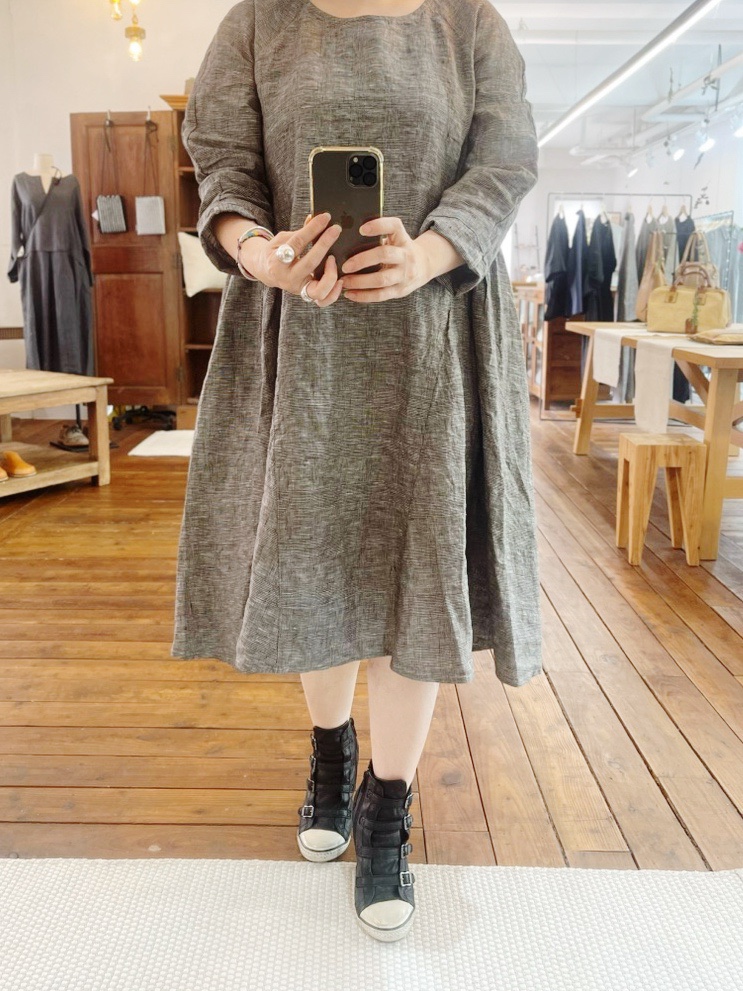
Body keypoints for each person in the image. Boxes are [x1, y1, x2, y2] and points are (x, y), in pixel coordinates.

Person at [171, 0, 542, 943]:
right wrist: (260, 252)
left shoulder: (467, 22)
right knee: (314, 559)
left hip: (431, 337)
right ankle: (332, 755)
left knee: (416, 567)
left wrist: (429, 252)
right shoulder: (259, 21)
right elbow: (222, 168)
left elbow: (504, 163)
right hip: (299, 339)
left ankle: (386, 806)